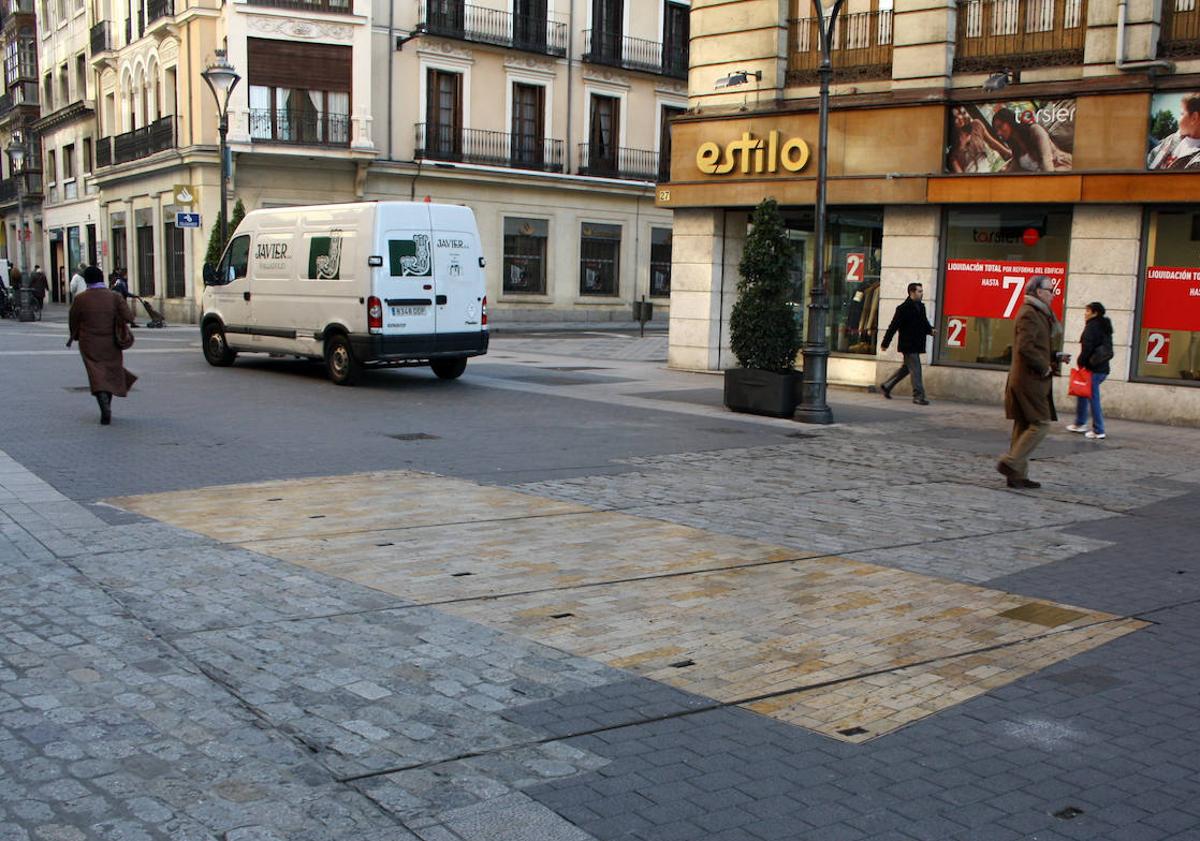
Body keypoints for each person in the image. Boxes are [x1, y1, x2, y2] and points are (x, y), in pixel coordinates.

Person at [997, 275, 1066, 489]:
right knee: (1041, 424)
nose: (1053, 294)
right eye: (1049, 290)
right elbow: (1025, 347)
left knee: (1024, 423)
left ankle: (1017, 475)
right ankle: (1010, 462)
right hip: (1029, 379)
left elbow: (1037, 345)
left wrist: (1054, 356)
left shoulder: (1039, 314)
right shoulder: (1030, 313)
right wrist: (1044, 366)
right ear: (1038, 292)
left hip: (1030, 378)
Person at [67, 265, 137, 425]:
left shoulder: (80, 299)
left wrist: (75, 335)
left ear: (86, 280)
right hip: (111, 342)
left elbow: (73, 320)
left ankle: (103, 403)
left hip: (89, 342)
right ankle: (108, 403)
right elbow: (129, 316)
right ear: (101, 278)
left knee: (96, 372)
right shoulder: (114, 297)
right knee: (111, 372)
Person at [879, 282, 934, 405]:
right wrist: (885, 343)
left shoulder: (921, 307)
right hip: (908, 345)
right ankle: (918, 396)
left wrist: (930, 330)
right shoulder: (903, 309)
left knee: (906, 369)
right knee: (916, 370)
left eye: (921, 291)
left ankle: (887, 386)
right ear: (912, 293)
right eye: (919, 291)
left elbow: (923, 323)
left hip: (917, 344)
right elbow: (893, 327)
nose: (921, 293)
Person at [1066, 301, 1114, 440]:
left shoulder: (1091, 327)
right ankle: (1080, 422)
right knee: (1083, 393)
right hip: (1102, 368)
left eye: (1088, 311)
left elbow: (1087, 348)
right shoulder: (1105, 327)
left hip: (1093, 368)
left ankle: (1099, 430)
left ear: (1095, 313)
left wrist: (1081, 362)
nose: (1085, 313)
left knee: (1093, 398)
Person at [991, 108, 1073, 172]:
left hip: (1061, 168)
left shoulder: (1035, 130)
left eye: (1000, 126)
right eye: (996, 130)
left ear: (1009, 121)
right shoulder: (1015, 146)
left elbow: (1047, 160)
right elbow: (1014, 168)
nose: (999, 133)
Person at [1147, 93, 1200, 171]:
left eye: (1181, 114)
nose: (1178, 119)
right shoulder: (1172, 139)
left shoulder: (1197, 160)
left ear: (1194, 118)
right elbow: (1150, 158)